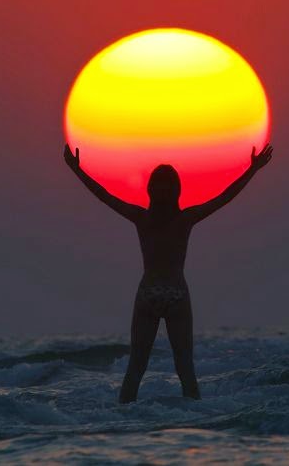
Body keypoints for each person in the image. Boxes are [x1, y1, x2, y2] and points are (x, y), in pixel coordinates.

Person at [63, 141, 273, 403]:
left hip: (148, 292)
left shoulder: (141, 218)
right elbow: (224, 197)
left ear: (150, 189)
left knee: (136, 368)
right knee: (185, 369)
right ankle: (195, 424)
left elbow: (104, 195)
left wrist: (77, 170)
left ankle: (122, 422)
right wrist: (252, 170)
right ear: (177, 190)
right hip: (176, 292)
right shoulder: (185, 219)